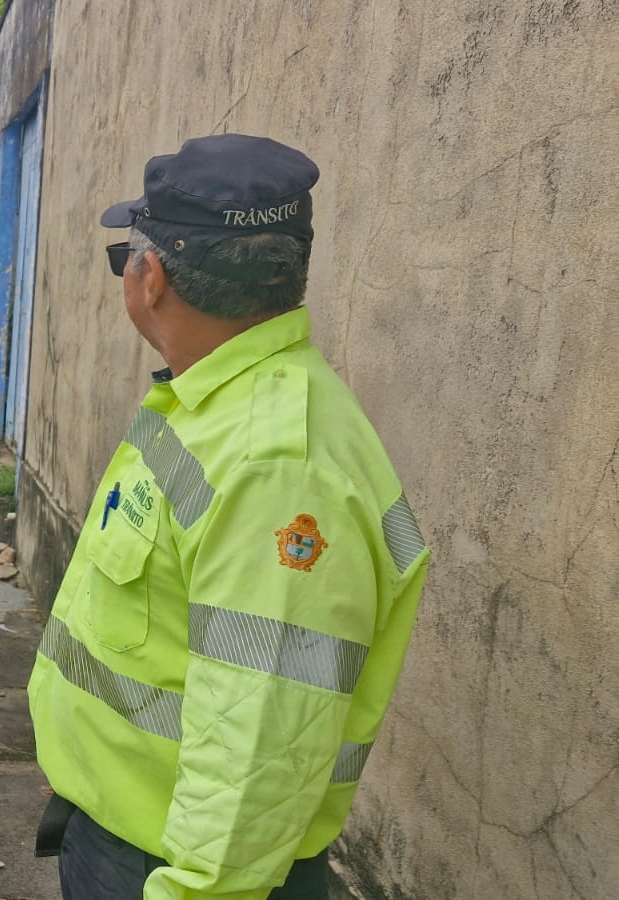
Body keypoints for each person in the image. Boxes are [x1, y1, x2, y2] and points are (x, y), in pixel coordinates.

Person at [27, 133, 431, 900]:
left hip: (175, 872)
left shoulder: (273, 467)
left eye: (124, 258)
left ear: (150, 278)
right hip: (124, 832)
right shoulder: (213, 405)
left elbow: (259, 748)